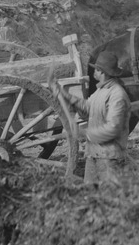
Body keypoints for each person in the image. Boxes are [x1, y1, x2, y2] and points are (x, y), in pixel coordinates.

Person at [50, 51, 130, 187]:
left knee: (109, 198)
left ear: (102, 72)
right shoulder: (100, 91)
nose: (94, 71)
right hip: (92, 153)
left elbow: (113, 128)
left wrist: (85, 133)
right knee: (90, 195)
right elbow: (87, 108)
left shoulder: (117, 95)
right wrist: (64, 94)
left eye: (97, 69)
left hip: (109, 157)